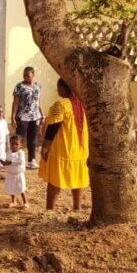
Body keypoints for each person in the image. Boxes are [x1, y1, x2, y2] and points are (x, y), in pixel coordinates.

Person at [39, 78, 89, 211]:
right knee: (78, 179)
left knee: (55, 180)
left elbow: (53, 127)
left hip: (63, 148)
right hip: (80, 149)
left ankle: (50, 210)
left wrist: (45, 145)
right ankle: (77, 208)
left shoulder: (61, 104)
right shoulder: (82, 104)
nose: (57, 90)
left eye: (59, 87)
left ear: (64, 88)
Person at [11, 66, 44, 169]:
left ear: (33, 75)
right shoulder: (19, 86)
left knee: (32, 139)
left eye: (28, 76)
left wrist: (42, 114)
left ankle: (31, 160)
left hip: (34, 117)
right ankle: (15, 159)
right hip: (22, 116)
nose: (26, 77)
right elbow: (15, 103)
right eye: (24, 75)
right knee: (19, 138)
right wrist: (13, 116)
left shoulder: (37, 86)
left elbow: (38, 102)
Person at [2, 135, 28, 209]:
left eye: (16, 144)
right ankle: (14, 201)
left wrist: (10, 162)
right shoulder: (8, 152)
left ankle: (25, 202)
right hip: (10, 173)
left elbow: (20, 161)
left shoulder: (21, 153)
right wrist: (4, 163)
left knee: (21, 188)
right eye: (12, 144)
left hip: (18, 174)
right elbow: (7, 160)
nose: (14, 146)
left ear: (20, 145)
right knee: (11, 188)